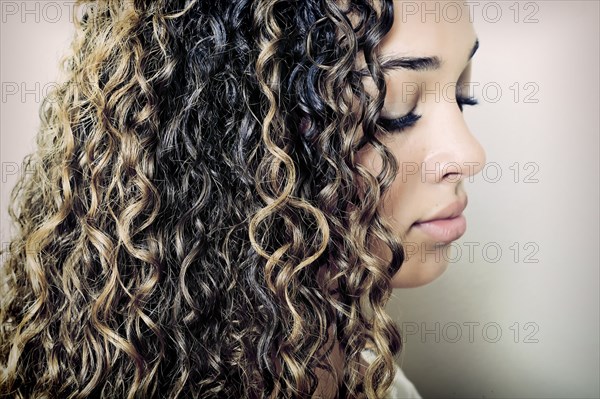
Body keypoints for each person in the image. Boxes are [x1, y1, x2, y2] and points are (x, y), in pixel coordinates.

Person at [0, 0, 485, 398]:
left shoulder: (378, 383)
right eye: (396, 104)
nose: (469, 154)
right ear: (239, 143)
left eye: (463, 94)